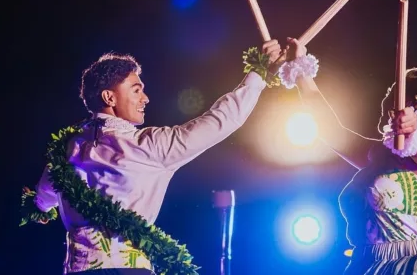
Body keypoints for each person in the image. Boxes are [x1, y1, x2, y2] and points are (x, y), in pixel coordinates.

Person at [28, 40, 283, 275]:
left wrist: (38, 209)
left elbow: (42, 200)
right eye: (136, 90)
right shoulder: (148, 146)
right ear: (109, 97)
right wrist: (259, 74)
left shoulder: (66, 150)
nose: (145, 98)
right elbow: (221, 119)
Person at [277, 37, 417, 274]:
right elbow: (334, 132)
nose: (386, 101)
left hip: (416, 265)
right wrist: (300, 69)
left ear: (411, 105)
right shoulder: (380, 154)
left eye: (393, 93)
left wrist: (412, 127)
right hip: (368, 265)